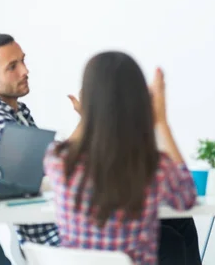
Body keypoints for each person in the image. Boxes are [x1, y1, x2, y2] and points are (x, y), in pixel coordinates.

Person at [43, 51, 200, 265]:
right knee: (172, 235)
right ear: (139, 101)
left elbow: (74, 146)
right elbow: (187, 199)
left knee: (173, 233)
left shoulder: (57, 158)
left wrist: (87, 116)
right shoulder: (152, 166)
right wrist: (161, 121)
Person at [0, 34, 60, 255]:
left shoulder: (20, 111)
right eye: (12, 67)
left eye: (23, 61)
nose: (25, 71)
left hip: (48, 219)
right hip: (40, 239)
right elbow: (50, 162)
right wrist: (91, 121)